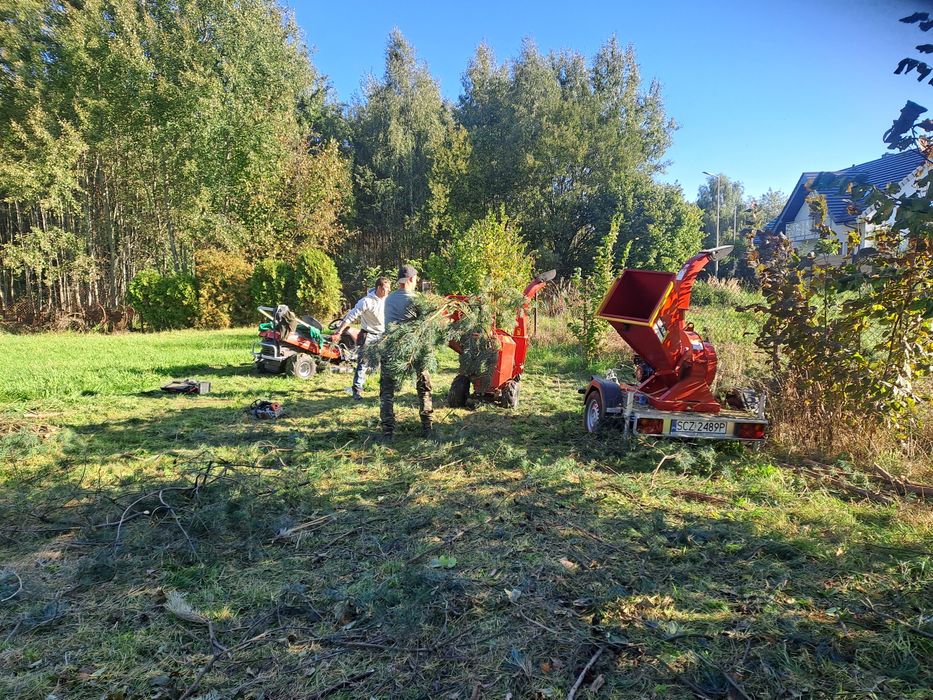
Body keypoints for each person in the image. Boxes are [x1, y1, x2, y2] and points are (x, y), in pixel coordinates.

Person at [379, 264, 433, 440]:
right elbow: (424, 325)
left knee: (387, 391)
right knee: (424, 386)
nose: (417, 282)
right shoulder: (416, 299)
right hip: (413, 349)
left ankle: (387, 431)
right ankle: (427, 427)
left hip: (390, 347)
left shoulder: (389, 299)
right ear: (410, 279)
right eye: (416, 279)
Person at [331, 277, 391, 399]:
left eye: (389, 289)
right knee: (363, 363)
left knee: (386, 362)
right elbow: (350, 317)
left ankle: (385, 390)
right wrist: (338, 332)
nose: (388, 292)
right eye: (386, 289)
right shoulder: (366, 301)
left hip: (383, 335)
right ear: (379, 288)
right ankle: (357, 390)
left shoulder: (388, 299)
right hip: (368, 334)